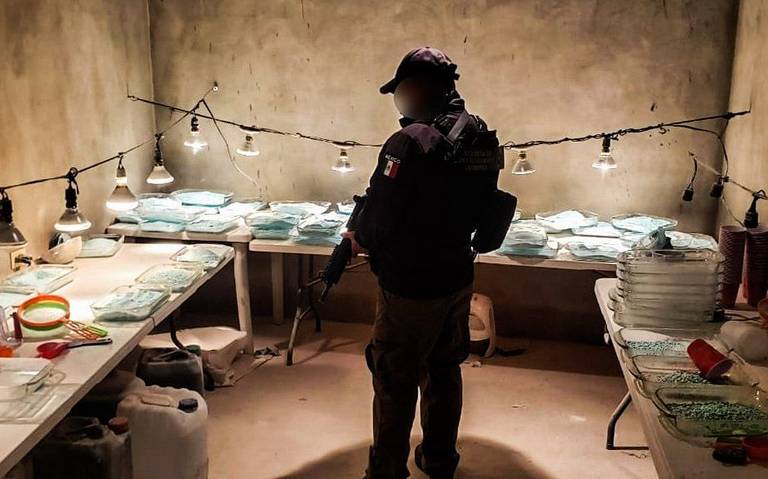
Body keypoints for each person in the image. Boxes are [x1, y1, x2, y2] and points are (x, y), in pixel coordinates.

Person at [344, 47, 513, 479]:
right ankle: (439, 459)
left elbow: (381, 214)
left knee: (394, 377)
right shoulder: (479, 135)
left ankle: (386, 471)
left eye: (401, 90)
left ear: (420, 87)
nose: (399, 101)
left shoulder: (409, 142)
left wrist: (358, 238)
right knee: (443, 369)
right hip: (456, 275)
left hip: (410, 284)